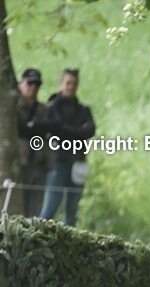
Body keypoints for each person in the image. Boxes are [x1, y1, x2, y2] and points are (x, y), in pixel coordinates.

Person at [40, 68, 95, 227]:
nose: (71, 87)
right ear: (61, 84)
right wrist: (77, 131)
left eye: (74, 84)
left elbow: (90, 130)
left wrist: (66, 129)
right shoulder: (52, 107)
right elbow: (56, 129)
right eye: (68, 83)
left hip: (77, 162)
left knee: (72, 210)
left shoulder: (83, 109)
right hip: (58, 161)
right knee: (51, 206)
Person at [15, 68, 54, 217]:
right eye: (30, 83)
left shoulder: (43, 110)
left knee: (34, 211)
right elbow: (20, 128)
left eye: (37, 84)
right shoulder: (13, 108)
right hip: (19, 164)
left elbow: (54, 128)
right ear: (21, 84)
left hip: (39, 163)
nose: (33, 87)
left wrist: (35, 127)